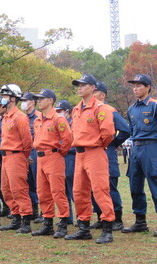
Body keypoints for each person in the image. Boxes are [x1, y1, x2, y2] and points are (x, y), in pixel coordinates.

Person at [64, 74, 116, 244]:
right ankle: (83, 227)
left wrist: (97, 145)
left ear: (93, 87)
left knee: (100, 190)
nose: (79, 87)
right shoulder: (76, 109)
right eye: (78, 85)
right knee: (79, 192)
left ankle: (107, 227)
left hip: (95, 152)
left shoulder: (101, 108)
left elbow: (108, 133)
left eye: (83, 85)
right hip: (79, 154)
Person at [32, 89, 72, 238]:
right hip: (40, 158)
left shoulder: (58, 119)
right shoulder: (37, 120)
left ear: (50, 100)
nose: (39, 101)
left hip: (53, 156)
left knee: (57, 191)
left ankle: (62, 223)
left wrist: (60, 152)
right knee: (42, 192)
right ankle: (47, 222)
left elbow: (67, 139)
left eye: (42, 98)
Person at [91, 82, 130, 231]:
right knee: (94, 187)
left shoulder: (109, 110)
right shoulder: (89, 110)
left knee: (109, 185)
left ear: (102, 95)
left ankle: (117, 218)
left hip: (106, 152)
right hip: (92, 153)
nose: (92, 95)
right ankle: (101, 217)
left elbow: (125, 130)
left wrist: (112, 143)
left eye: (95, 92)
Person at [123, 74, 157, 237]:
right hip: (135, 149)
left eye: (139, 85)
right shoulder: (131, 109)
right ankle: (140, 221)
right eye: (133, 85)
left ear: (148, 87)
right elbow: (131, 130)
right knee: (135, 185)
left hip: (151, 148)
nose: (135, 88)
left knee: (155, 185)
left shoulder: (154, 106)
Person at [0, 84, 33, 234]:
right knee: (6, 189)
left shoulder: (20, 117)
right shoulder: (5, 117)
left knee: (18, 189)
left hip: (16, 155)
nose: (2, 99)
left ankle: (25, 219)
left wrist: (22, 157)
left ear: (13, 98)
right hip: (6, 156)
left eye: (5, 96)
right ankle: (16, 216)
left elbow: (27, 141)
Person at [19, 92, 43, 223]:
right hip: (24, 151)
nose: (23, 102)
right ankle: (32, 208)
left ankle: (43, 211)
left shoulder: (39, 116)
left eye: (25, 100)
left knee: (39, 182)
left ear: (32, 102)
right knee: (27, 182)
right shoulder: (22, 117)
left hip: (36, 151)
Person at [55, 100, 76, 225]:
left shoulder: (73, 123)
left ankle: (82, 217)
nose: (58, 113)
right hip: (60, 156)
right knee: (62, 189)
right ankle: (67, 216)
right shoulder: (58, 123)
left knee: (74, 189)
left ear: (67, 111)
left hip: (71, 156)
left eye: (59, 111)